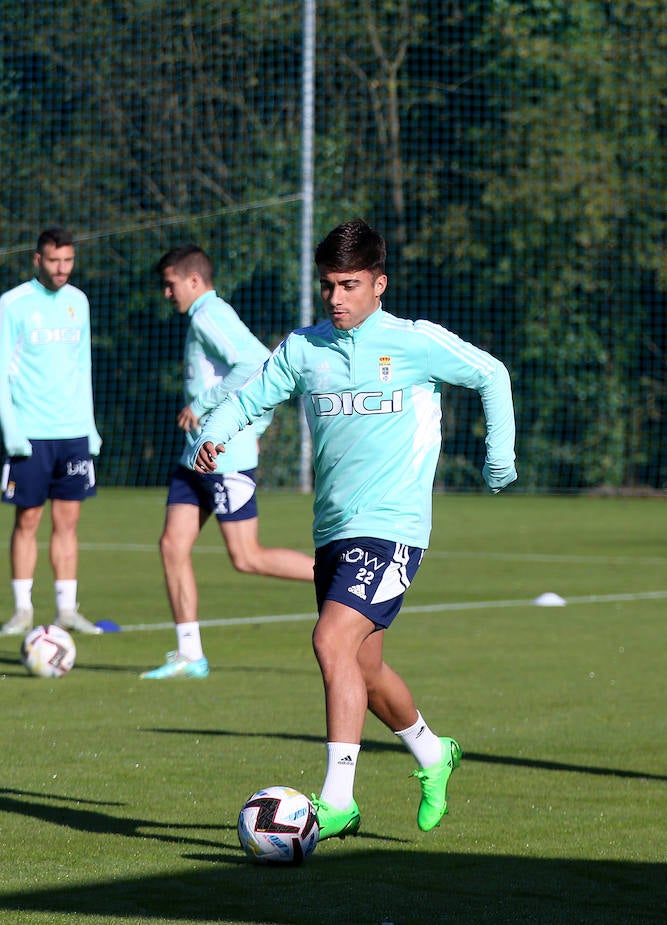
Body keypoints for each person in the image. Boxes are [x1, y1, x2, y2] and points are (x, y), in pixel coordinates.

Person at [189, 219, 516, 837]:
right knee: (363, 669)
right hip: (333, 532)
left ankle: (337, 797)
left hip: (394, 529)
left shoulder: (414, 341)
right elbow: (251, 397)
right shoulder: (304, 348)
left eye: (349, 285)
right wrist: (213, 431)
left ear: (379, 284)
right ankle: (432, 752)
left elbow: (490, 375)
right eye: (329, 286)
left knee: (330, 641)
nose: (336, 298)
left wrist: (500, 457)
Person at [144, 245, 314, 679]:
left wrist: (203, 405)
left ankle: (339, 578)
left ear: (194, 281)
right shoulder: (201, 317)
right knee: (171, 545)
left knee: (246, 557)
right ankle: (189, 655)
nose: (167, 293)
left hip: (224, 457)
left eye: (171, 284)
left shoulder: (209, 314)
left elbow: (256, 363)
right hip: (194, 457)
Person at [0, 228, 102, 636]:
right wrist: (11, 430)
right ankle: (22, 610)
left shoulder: (79, 302)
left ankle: (67, 610)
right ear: (37, 260)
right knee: (28, 520)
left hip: (72, 433)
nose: (62, 269)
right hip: (30, 433)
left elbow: (82, 366)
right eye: (54, 261)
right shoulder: (14, 303)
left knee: (68, 522)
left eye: (68, 261)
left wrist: (89, 427)